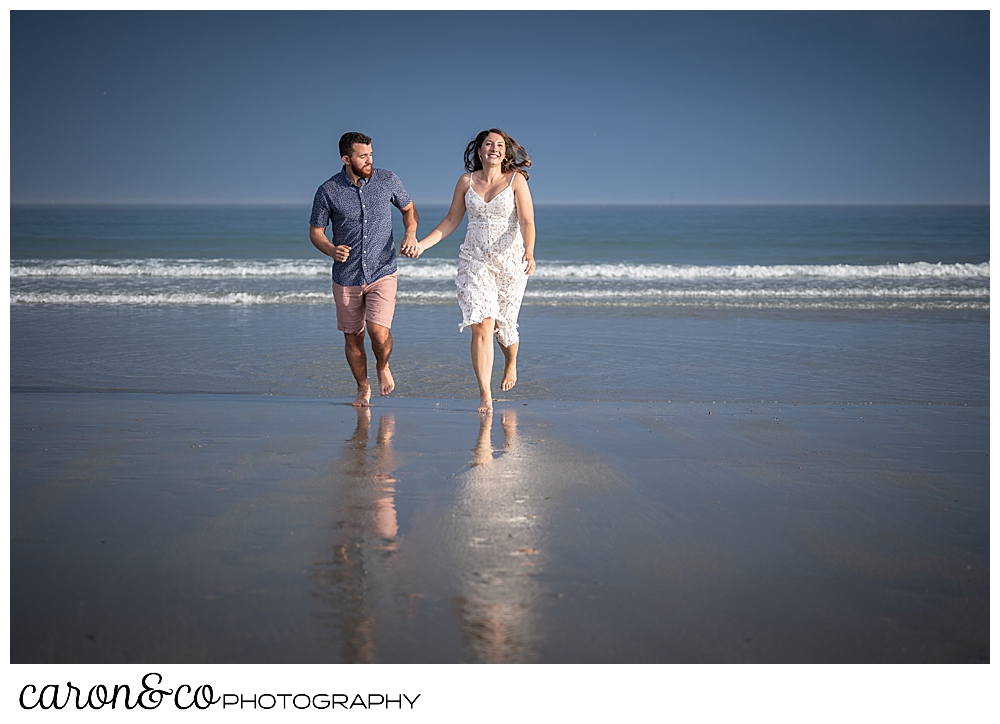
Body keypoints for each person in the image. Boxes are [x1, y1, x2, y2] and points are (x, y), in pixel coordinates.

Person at [407, 129, 536, 414]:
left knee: (505, 329)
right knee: (482, 324)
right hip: (475, 262)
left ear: (505, 152)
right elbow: (452, 220)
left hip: (510, 263)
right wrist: (423, 245)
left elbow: (527, 220)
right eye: (488, 144)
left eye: (500, 145)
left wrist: (529, 250)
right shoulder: (466, 181)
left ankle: (511, 362)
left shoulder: (516, 181)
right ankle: (485, 395)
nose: (494, 148)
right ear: (479, 151)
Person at [310, 132, 418, 408]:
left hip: (383, 270)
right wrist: (331, 250)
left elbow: (409, 209)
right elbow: (316, 232)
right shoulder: (328, 191)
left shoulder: (387, 180)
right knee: (353, 336)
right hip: (346, 276)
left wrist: (411, 233)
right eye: (362, 156)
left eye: (371, 154)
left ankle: (383, 366)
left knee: (378, 331)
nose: (370, 160)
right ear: (346, 159)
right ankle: (362, 387)